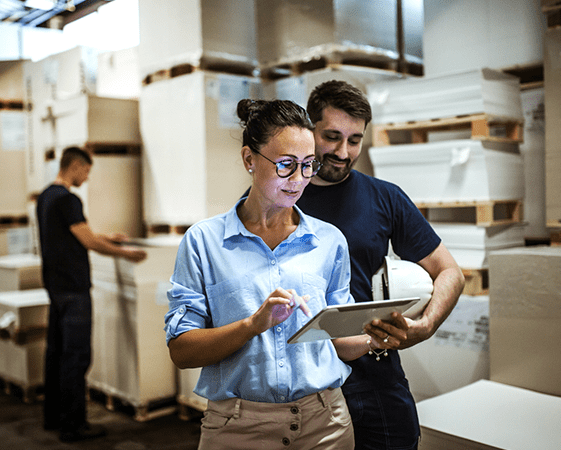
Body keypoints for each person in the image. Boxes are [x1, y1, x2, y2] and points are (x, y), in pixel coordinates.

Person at [165, 99, 392, 450]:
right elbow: (182, 352)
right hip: (237, 429)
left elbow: (337, 341)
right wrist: (252, 324)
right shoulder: (204, 242)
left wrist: (377, 337)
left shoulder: (329, 241)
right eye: (286, 165)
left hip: (325, 424)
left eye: (307, 165)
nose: (299, 179)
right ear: (249, 160)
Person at [294, 80, 466, 450]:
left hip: (374, 376)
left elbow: (449, 271)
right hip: (301, 379)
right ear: (309, 130)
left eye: (354, 140)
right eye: (332, 136)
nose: (343, 151)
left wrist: (426, 325)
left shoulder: (383, 197)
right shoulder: (277, 197)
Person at [36, 146, 147, 443]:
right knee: (77, 357)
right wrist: (124, 253)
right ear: (75, 166)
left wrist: (106, 236)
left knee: (56, 354)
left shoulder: (47, 196)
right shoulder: (69, 199)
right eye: (86, 170)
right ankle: (74, 426)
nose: (86, 176)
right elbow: (87, 241)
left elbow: (73, 233)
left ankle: (53, 417)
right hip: (74, 289)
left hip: (56, 288)